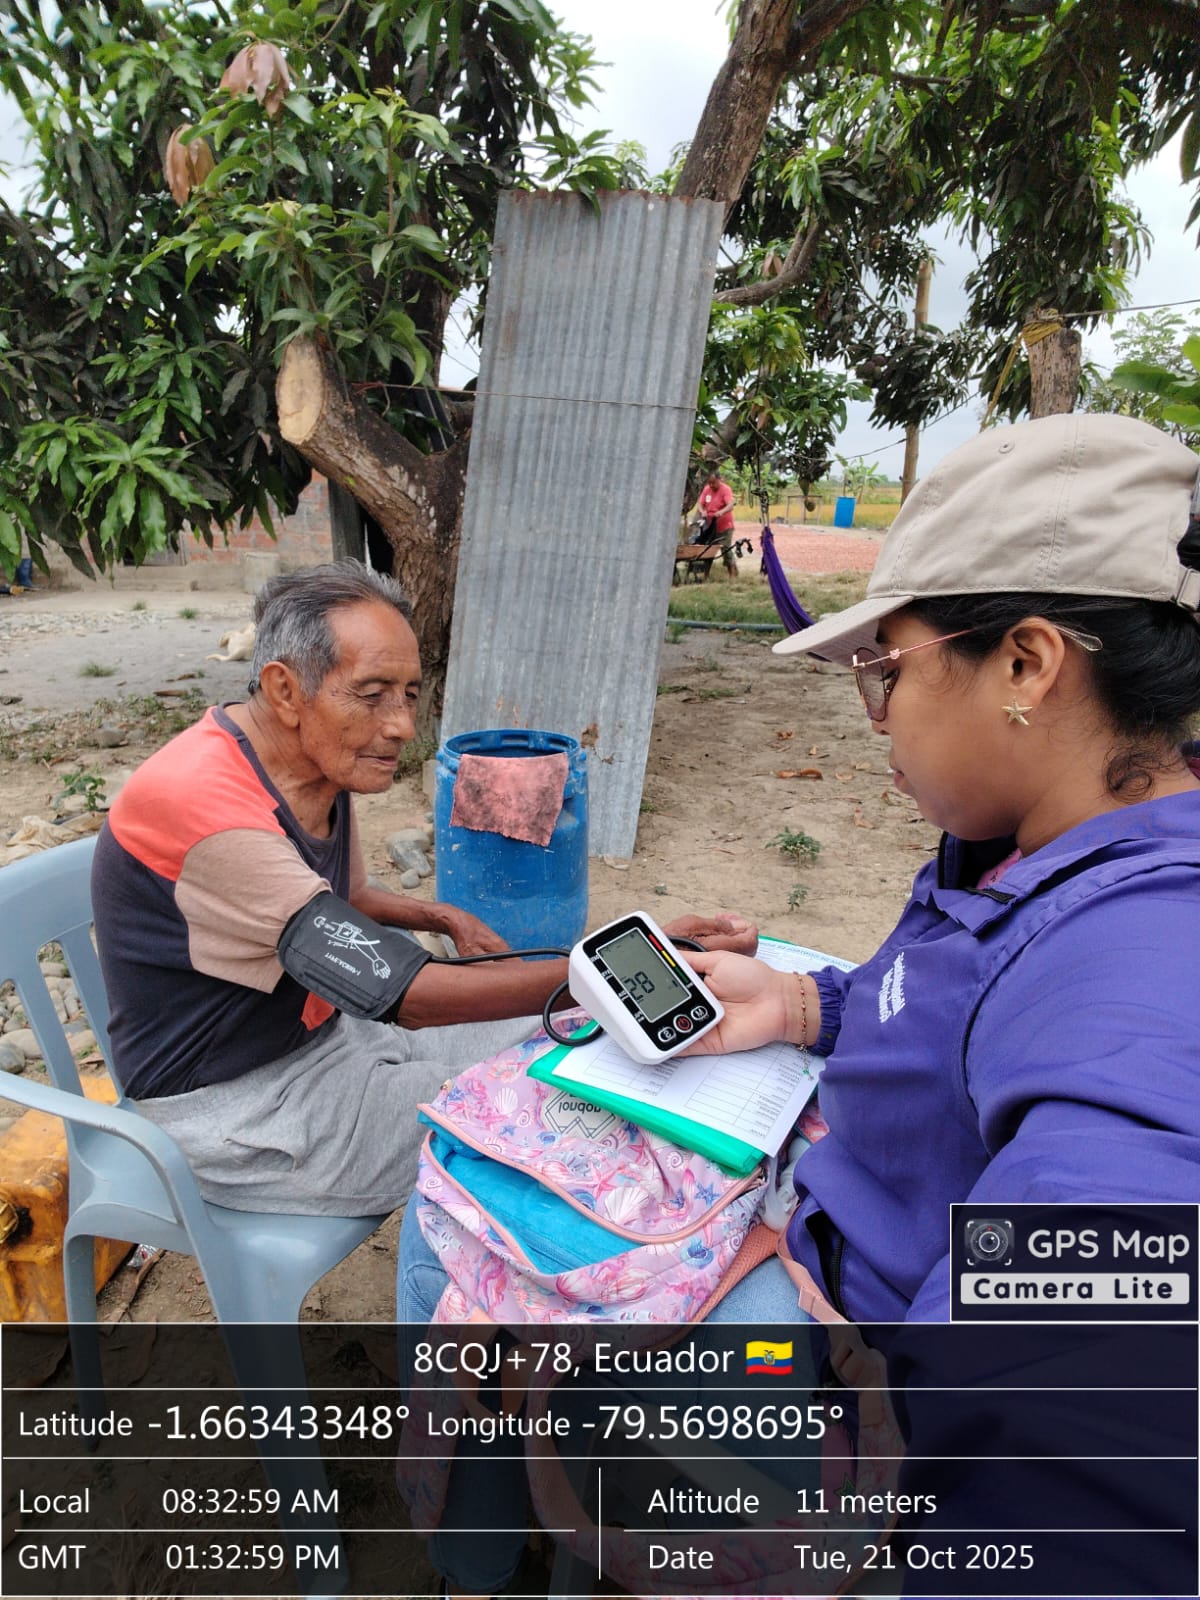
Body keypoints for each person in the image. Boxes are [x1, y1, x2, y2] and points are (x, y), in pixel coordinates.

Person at [396, 411, 1200, 1598]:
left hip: (834, 1366)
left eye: (889, 672)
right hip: (823, 1227)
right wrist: (803, 1004)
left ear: (1027, 665)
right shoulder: (1038, 842)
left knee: (451, 1229)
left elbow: (1088, 1393)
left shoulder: (1145, 955)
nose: (877, 717)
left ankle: (476, 1563)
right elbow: (953, 1012)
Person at [91, 560, 754, 1216]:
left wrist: (441, 916)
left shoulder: (309, 758)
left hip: (335, 1035)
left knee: (568, 1030)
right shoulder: (211, 811)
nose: (403, 726)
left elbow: (342, 896)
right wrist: (624, 968)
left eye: (409, 694)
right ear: (286, 689)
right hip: (245, 1110)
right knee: (561, 1112)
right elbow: (404, 997)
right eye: (372, 693)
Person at [694, 466, 738, 577]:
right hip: (710, 526)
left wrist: (721, 512)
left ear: (719, 479)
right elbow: (700, 504)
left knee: (726, 549)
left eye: (713, 482)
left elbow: (730, 505)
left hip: (725, 526)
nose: (711, 485)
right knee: (707, 549)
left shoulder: (725, 489)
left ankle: (732, 575)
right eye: (709, 483)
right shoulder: (707, 489)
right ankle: (706, 574)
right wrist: (703, 511)